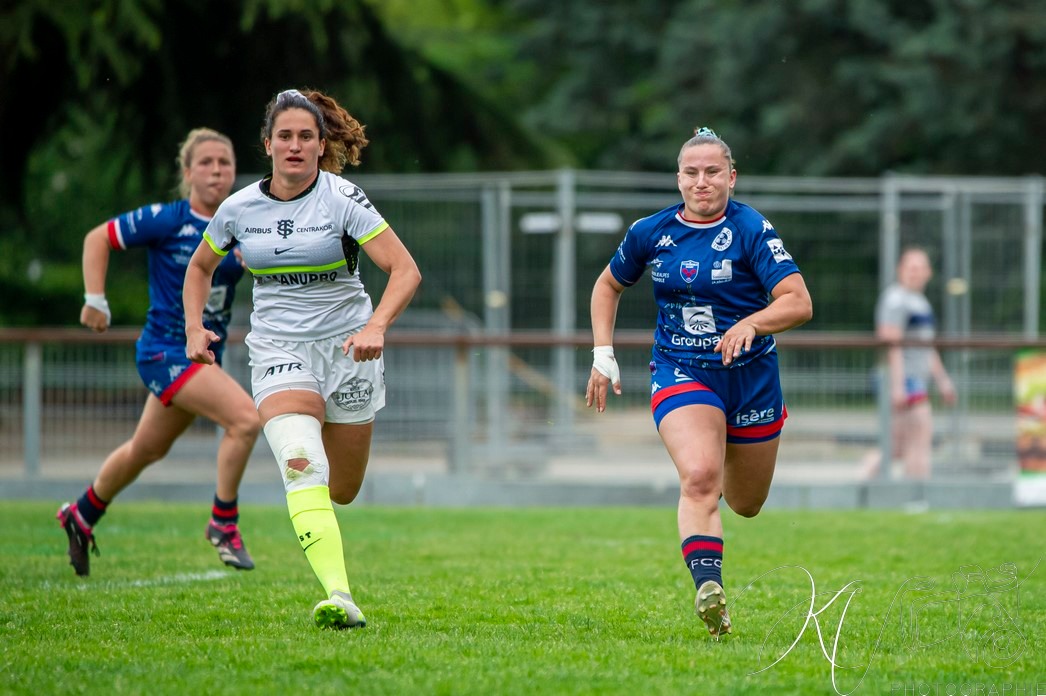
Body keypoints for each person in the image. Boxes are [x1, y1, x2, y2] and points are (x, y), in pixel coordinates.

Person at [183, 89, 421, 630]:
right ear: (267, 144)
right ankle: (340, 594)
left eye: (305, 136)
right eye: (285, 136)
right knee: (302, 463)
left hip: (348, 350)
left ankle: (332, 556)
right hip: (278, 348)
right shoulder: (239, 209)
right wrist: (195, 327)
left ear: (320, 145)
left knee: (342, 489)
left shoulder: (343, 199)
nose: (295, 145)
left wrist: (376, 326)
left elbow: (405, 270)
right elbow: (199, 268)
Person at [585, 127, 813, 638]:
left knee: (746, 503)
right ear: (678, 179)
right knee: (700, 477)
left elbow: (799, 302)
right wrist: (603, 354)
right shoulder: (651, 231)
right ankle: (710, 589)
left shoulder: (752, 228)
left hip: (752, 378)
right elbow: (607, 285)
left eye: (713, 172)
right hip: (682, 370)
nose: (702, 181)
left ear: (732, 177)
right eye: (691, 172)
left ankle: (741, 443)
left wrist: (753, 323)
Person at [57, 128, 262, 577]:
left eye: (224, 163)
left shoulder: (243, 224)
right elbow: (97, 238)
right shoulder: (168, 220)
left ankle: (81, 514)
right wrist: (95, 299)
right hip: (166, 351)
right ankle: (223, 523)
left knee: (145, 450)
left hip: (200, 356)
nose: (216, 171)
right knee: (246, 420)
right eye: (205, 162)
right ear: (187, 173)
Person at [860, 247, 956, 481]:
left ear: (929, 272)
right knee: (919, 438)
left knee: (896, 447)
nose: (916, 272)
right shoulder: (896, 299)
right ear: (900, 270)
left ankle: (862, 482)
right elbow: (890, 344)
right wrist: (898, 385)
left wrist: (942, 380)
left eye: (921, 267)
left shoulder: (920, 302)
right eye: (912, 267)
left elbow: (927, 347)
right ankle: (916, 493)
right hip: (905, 381)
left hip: (914, 381)